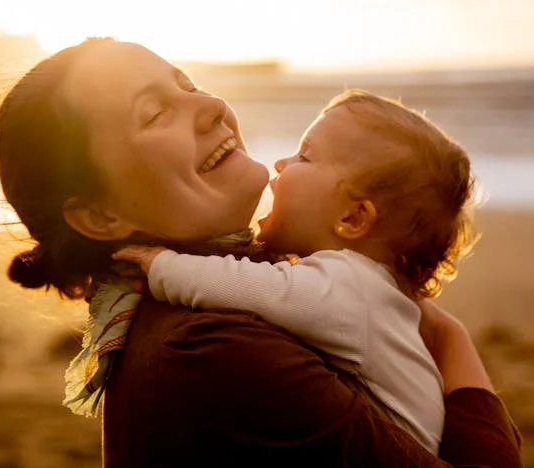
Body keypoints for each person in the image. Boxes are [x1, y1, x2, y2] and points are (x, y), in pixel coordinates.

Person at [0, 37, 522, 467]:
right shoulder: (211, 348)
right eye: (155, 114)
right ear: (100, 216)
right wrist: (451, 339)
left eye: (189, 84)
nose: (210, 106)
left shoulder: (244, 292)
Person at [112, 89, 478, 454]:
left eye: (305, 156)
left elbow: (253, 286)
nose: (280, 164)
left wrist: (160, 265)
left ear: (352, 218)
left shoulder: (349, 284)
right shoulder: (370, 292)